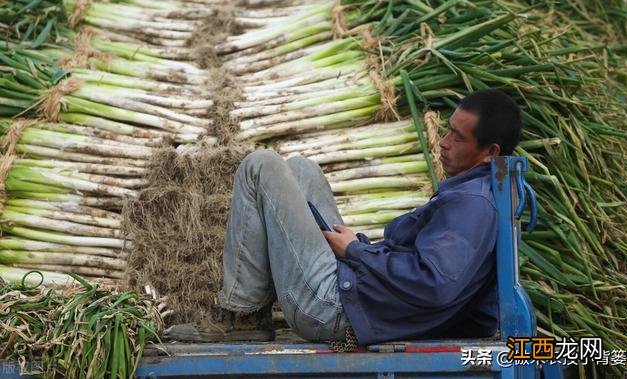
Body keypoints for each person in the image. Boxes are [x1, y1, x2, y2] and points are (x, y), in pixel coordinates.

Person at [167, 89, 523, 346]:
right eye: (447, 130)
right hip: (359, 295)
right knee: (299, 169)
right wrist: (363, 248)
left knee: (260, 165)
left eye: (457, 138)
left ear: (490, 152)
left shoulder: (471, 206)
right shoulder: (476, 192)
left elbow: (433, 284)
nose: (444, 143)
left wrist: (356, 252)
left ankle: (239, 315)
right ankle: (250, 313)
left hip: (335, 309)